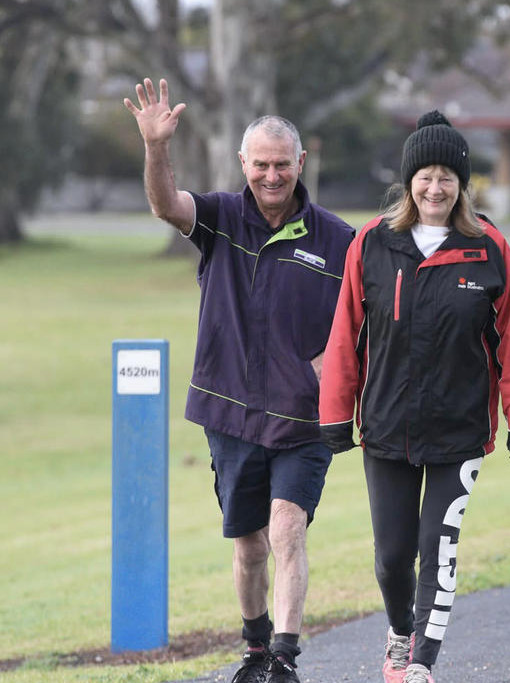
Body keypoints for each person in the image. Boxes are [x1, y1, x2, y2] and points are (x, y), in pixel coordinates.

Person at [124, 78, 355, 683]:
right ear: (242, 164)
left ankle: (284, 657)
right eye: (261, 165)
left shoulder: (339, 241)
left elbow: (368, 318)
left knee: (287, 528)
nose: (272, 176)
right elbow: (165, 205)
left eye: (282, 164)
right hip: (230, 413)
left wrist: (332, 368)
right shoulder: (221, 218)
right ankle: (255, 650)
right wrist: (156, 147)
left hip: (304, 419)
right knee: (250, 545)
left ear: (300, 163)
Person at [319, 111, 510, 683]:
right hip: (387, 428)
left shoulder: (488, 248)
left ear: (462, 185)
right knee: (393, 557)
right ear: (409, 181)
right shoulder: (371, 244)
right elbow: (346, 335)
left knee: (436, 550)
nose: (435, 188)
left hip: (459, 431)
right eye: (425, 176)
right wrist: (334, 413)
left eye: (447, 177)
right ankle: (400, 631)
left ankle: (420, 665)